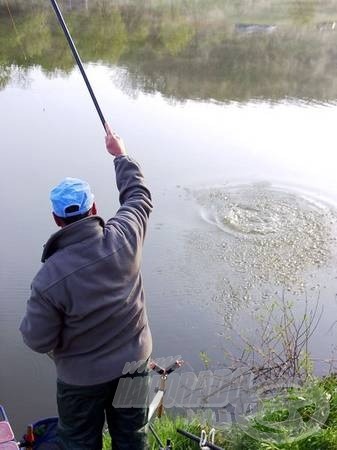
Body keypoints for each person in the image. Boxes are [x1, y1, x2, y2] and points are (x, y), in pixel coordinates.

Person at [19, 124, 153, 450]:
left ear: (56, 220)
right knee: (132, 438)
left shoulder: (48, 279)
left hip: (80, 381)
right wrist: (120, 155)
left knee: (79, 443)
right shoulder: (125, 236)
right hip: (135, 365)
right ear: (93, 209)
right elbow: (139, 196)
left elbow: (37, 339)